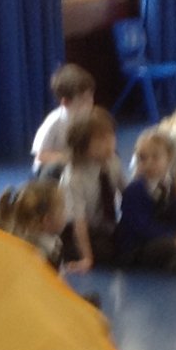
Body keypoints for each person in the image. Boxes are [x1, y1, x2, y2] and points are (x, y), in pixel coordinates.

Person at [115, 127, 176, 274]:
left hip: (170, 233)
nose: (148, 163)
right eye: (142, 158)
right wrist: (173, 236)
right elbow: (142, 226)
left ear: (169, 159)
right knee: (167, 246)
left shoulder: (171, 185)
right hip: (140, 245)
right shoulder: (134, 190)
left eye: (155, 157)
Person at [58, 107, 124, 271]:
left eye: (111, 136)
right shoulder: (74, 176)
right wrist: (87, 258)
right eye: (101, 140)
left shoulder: (113, 161)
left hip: (103, 225)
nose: (109, 143)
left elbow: (127, 193)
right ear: (82, 146)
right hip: (74, 231)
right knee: (107, 252)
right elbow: (78, 221)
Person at [31, 63, 96, 176]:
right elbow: (41, 156)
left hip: (76, 166)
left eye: (90, 96)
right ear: (65, 102)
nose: (90, 102)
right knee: (57, 169)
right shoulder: (54, 122)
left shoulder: (89, 118)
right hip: (50, 171)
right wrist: (67, 158)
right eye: (83, 99)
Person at [0, 180, 68, 269]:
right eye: (62, 211)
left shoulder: (49, 242)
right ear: (47, 220)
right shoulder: (39, 255)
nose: (66, 214)